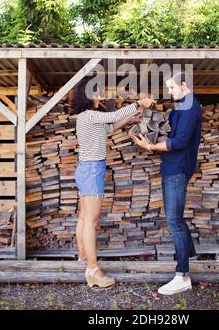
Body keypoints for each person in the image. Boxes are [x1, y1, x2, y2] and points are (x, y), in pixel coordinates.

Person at [70, 79, 153, 288]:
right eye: (96, 94)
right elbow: (114, 116)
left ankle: (83, 258)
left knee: (84, 218)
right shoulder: (90, 115)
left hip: (86, 169)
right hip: (91, 170)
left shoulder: (88, 118)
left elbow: (110, 126)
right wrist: (138, 104)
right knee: (92, 221)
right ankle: (93, 270)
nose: (100, 97)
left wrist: (130, 118)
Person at [131, 71, 202, 295]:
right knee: (176, 218)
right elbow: (167, 132)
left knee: (174, 220)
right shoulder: (181, 106)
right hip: (170, 167)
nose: (169, 92)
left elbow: (179, 141)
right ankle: (189, 255)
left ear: (183, 84)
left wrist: (150, 147)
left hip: (178, 168)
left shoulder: (190, 106)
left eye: (172, 88)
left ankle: (182, 276)